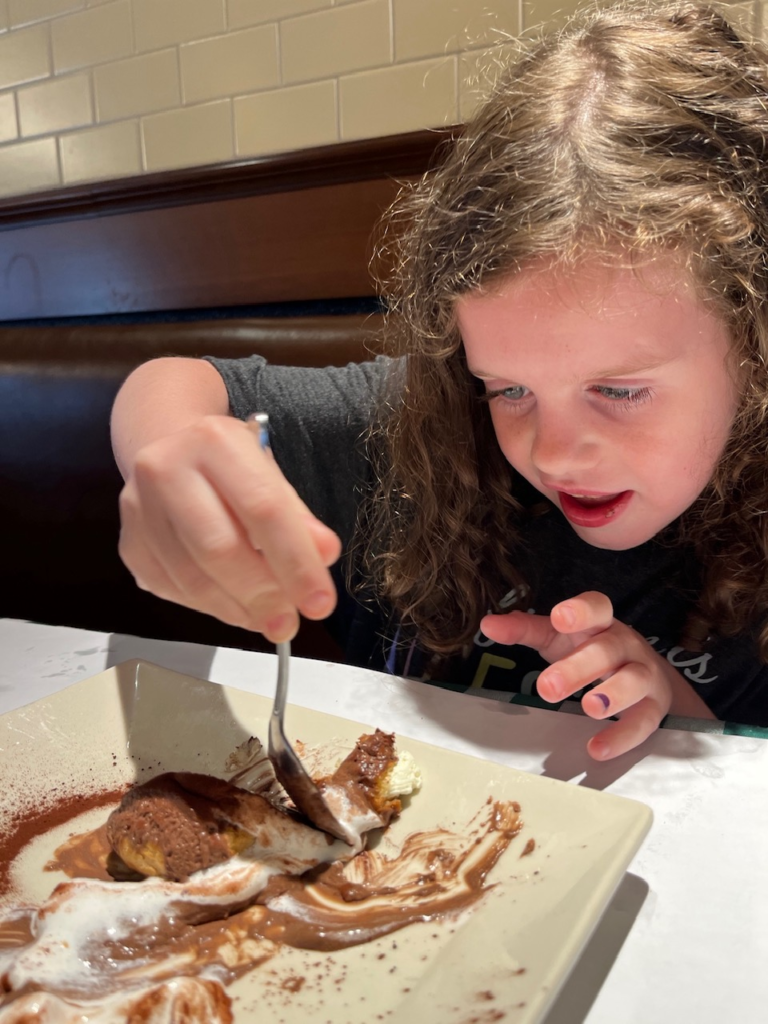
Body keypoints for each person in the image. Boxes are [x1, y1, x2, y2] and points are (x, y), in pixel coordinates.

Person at [111, 0, 768, 761]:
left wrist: (680, 714)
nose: (553, 454)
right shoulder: (427, 424)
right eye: (508, 387)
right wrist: (169, 455)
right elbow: (178, 382)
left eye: (619, 391)